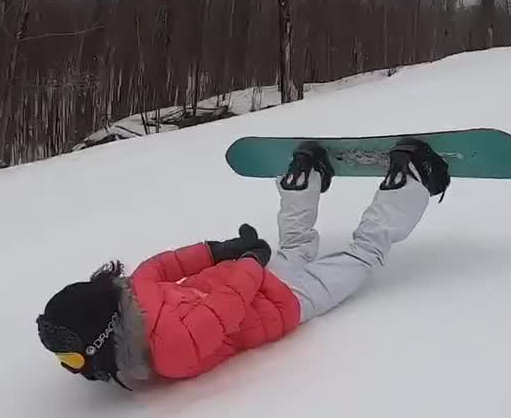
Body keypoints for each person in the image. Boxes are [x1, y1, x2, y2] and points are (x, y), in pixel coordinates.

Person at [34, 137, 452, 388]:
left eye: (74, 359)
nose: (77, 371)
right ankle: (302, 178)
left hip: (282, 303)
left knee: (363, 256)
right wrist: (232, 255)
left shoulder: (170, 353)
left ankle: (412, 176)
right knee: (294, 248)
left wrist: (238, 256)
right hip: (260, 282)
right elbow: (166, 265)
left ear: (103, 337)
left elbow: (228, 307)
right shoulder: (136, 289)